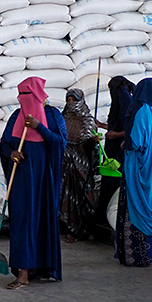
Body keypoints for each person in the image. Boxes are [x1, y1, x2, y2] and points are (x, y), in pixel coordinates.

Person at [0, 77, 66, 290]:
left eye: (26, 96)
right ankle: (23, 273)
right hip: (22, 182)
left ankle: (44, 267)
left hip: (45, 181)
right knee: (22, 222)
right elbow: (4, 144)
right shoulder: (15, 117)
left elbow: (61, 143)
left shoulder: (53, 116)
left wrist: (40, 128)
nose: (22, 100)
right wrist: (12, 153)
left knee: (44, 220)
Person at [115, 78, 152, 267]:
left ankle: (141, 257)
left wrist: (126, 143)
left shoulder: (141, 110)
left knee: (136, 209)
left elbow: (137, 142)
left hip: (140, 169)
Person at [95, 76, 135, 227]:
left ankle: (114, 215)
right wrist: (103, 126)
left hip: (121, 148)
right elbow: (117, 125)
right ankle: (105, 217)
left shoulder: (127, 104)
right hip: (112, 149)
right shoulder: (119, 103)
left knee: (117, 181)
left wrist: (115, 135)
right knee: (109, 180)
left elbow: (132, 130)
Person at [60, 89, 99, 243]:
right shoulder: (62, 118)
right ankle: (69, 229)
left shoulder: (88, 121)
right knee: (66, 197)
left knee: (83, 196)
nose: (71, 104)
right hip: (64, 165)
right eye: (68, 100)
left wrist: (93, 142)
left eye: (74, 100)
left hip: (81, 166)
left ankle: (83, 229)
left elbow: (91, 147)